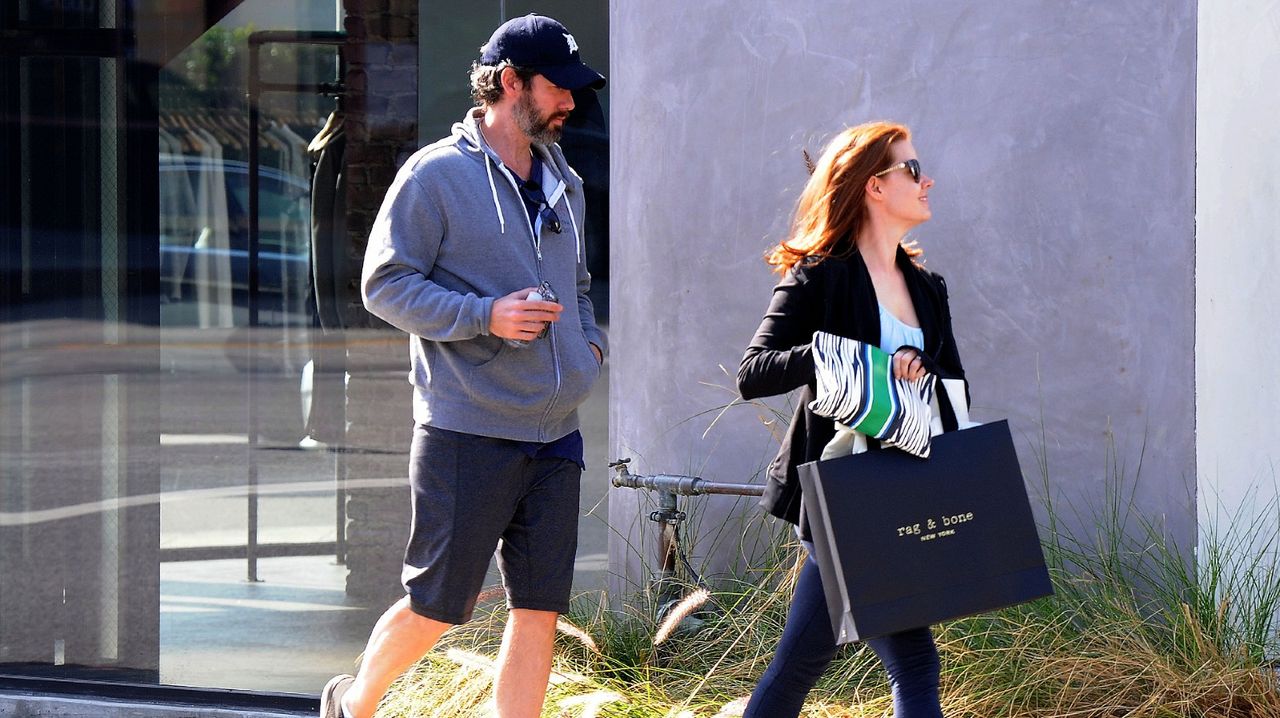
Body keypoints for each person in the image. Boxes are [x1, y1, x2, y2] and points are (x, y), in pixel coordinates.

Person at [320, 14, 607, 718]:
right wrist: (487, 315)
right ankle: (353, 703)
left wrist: (588, 349)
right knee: (439, 606)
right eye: (557, 87)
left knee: (538, 611)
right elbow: (384, 284)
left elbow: (579, 285)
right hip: (467, 429)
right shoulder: (437, 175)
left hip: (555, 432)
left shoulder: (563, 180)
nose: (571, 101)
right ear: (511, 84)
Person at [737, 121, 966, 718]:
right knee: (903, 662)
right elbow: (753, 372)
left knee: (809, 667)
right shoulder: (820, 278)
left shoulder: (928, 289)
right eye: (912, 170)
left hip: (902, 492)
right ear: (873, 186)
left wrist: (919, 367)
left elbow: (955, 388)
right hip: (845, 495)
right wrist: (834, 357)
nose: (926, 180)